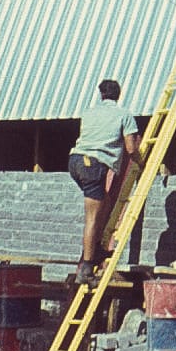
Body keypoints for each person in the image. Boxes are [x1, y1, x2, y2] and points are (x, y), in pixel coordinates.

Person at [68, 78, 139, 283]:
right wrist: (141, 161)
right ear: (119, 95)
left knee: (105, 202)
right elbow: (131, 148)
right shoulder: (124, 114)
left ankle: (96, 249)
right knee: (92, 217)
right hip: (93, 165)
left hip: (75, 162)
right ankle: (87, 268)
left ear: (101, 95)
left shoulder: (89, 112)